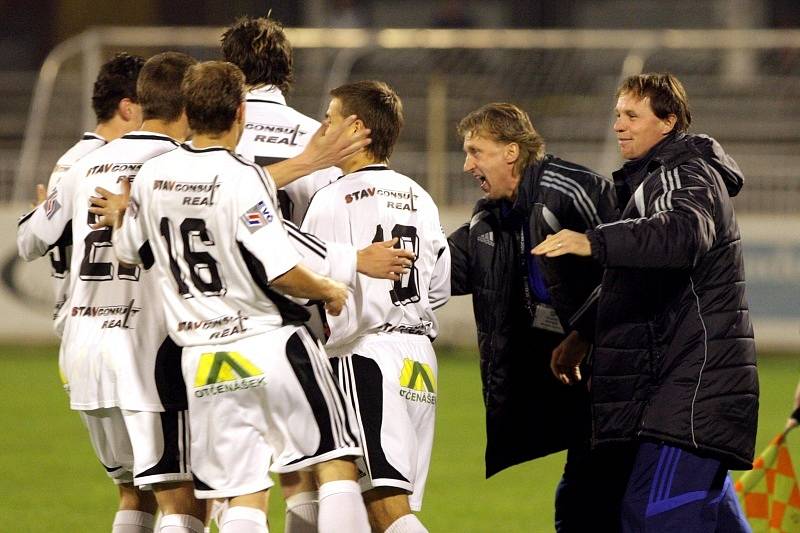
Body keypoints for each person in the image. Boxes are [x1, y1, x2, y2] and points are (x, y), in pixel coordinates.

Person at [108, 60, 371, 533]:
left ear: (187, 111)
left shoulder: (151, 176)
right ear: (241, 113)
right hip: (265, 342)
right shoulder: (242, 176)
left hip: (201, 358)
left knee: (243, 490)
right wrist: (330, 288)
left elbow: (130, 251)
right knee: (336, 463)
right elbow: (282, 271)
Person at [533, 73, 757, 532]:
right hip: (680, 382)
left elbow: (683, 234)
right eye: (617, 114)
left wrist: (593, 241)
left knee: (655, 516)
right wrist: (584, 334)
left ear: (668, 121)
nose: (619, 125)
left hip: (696, 384)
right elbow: (639, 282)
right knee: (698, 517)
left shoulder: (685, 171)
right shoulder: (650, 178)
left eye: (633, 115)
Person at [18, 51, 208, 533]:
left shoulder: (85, 165)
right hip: (145, 352)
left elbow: (27, 239)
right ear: (189, 104)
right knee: (183, 499)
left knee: (134, 490)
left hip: (84, 354)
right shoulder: (182, 166)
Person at [447, 102, 620, 531]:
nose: (468, 164)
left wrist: (583, 335)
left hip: (620, 372)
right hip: (573, 381)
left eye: (475, 151)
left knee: (613, 499)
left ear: (510, 151)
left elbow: (628, 265)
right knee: (583, 499)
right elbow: (444, 266)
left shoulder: (574, 189)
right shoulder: (490, 216)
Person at [301, 80, 450, 533]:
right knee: (376, 507)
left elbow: (301, 275)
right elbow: (439, 284)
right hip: (419, 360)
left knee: (385, 507)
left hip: (366, 357)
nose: (323, 128)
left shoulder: (333, 197)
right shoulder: (418, 196)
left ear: (357, 127)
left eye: (330, 118)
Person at [17, 52, 145, 336]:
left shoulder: (73, 159)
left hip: (76, 321)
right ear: (128, 109)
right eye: (150, 105)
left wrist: (41, 215)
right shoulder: (106, 163)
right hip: (109, 320)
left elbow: (33, 238)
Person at [222, 15, 340, 226]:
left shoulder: (211, 132)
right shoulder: (320, 139)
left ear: (228, 68)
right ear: (286, 67)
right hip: (300, 255)